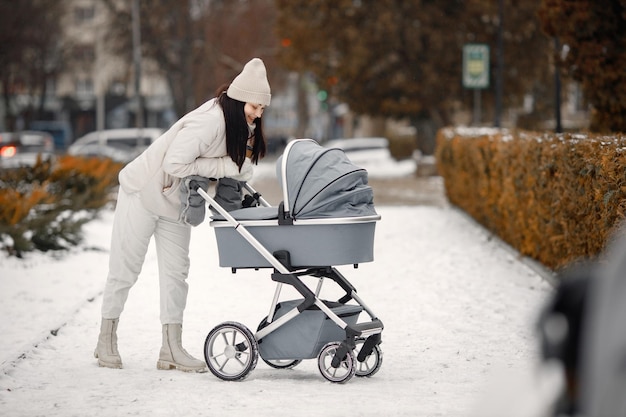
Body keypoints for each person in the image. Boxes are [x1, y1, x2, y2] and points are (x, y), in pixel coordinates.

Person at [94, 58, 271, 372]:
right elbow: (175, 163)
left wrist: (239, 175)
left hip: (176, 204)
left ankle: (171, 348)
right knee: (126, 270)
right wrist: (223, 168)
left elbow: (228, 168)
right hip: (144, 193)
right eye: (256, 106)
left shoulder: (239, 125)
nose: (258, 114)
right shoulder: (210, 121)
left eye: (261, 109)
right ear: (241, 98)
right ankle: (105, 340)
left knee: (177, 275)